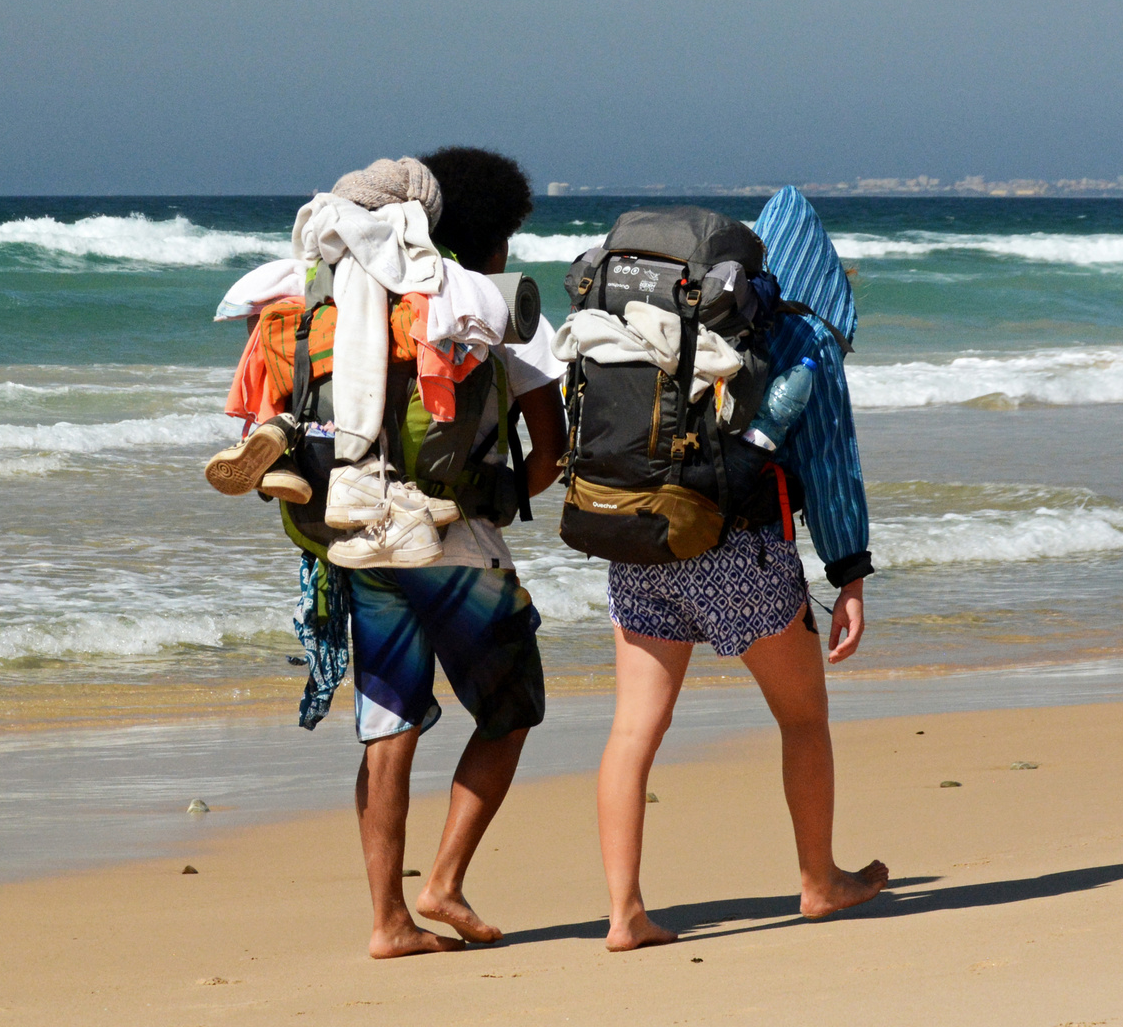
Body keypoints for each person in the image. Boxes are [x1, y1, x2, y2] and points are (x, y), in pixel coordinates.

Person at [593, 265, 887, 951]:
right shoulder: (798, 335)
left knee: (632, 734)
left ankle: (624, 913)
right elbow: (830, 461)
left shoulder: (663, 307)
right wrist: (849, 574)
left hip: (641, 539)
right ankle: (819, 883)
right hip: (737, 552)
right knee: (803, 719)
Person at [342, 146, 568, 957]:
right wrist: (506, 497)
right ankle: (441, 882)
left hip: (361, 534)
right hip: (457, 544)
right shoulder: (492, 307)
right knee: (511, 712)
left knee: (387, 725)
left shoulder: (364, 298)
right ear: (494, 238)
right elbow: (549, 449)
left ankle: (386, 921)